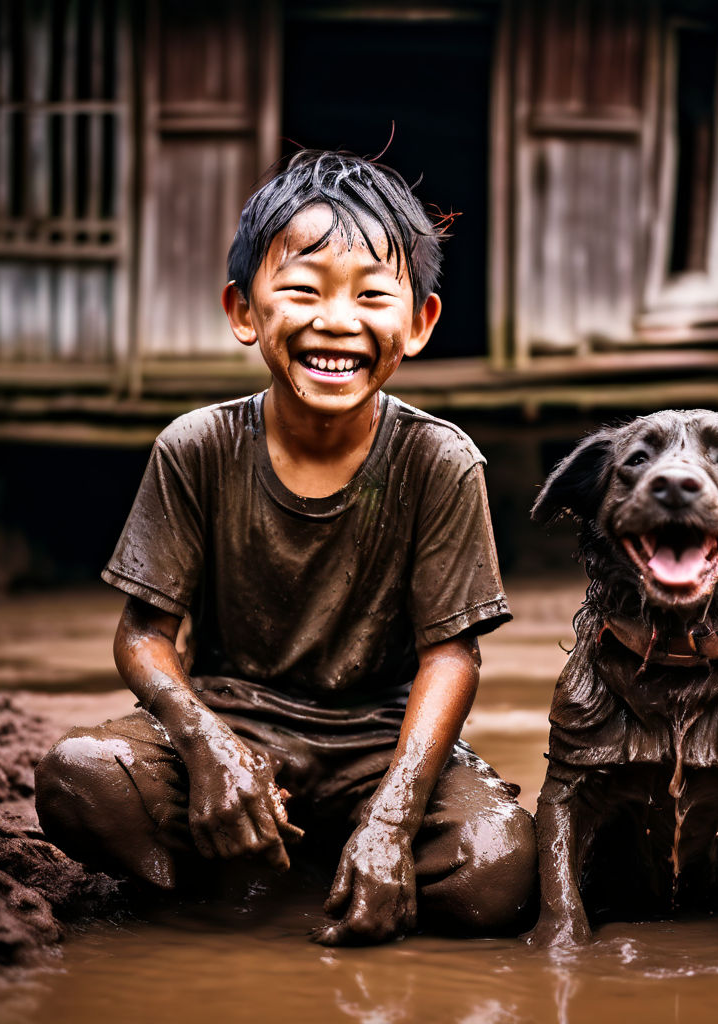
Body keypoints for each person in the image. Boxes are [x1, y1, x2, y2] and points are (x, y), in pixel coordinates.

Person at [34, 150, 537, 945]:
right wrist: (206, 747)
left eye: (373, 296)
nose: (336, 322)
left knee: (496, 872)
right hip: (234, 720)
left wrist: (395, 816)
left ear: (420, 322)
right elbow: (143, 635)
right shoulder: (195, 446)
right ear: (244, 311)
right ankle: (248, 860)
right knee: (80, 777)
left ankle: (316, 858)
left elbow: (453, 655)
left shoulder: (440, 460)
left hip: (380, 739)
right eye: (302, 291)